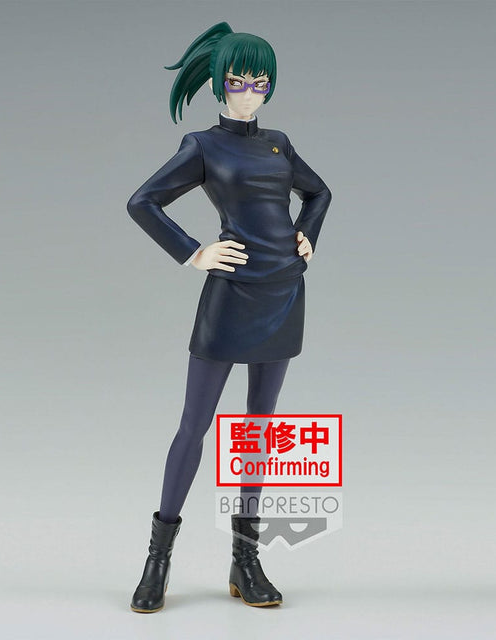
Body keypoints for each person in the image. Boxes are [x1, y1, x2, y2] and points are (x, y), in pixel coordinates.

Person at [126, 21, 332, 612]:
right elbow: (143, 201)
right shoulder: (202, 146)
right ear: (219, 84)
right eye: (238, 82)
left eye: (259, 82)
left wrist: (307, 235)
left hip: (283, 291)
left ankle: (246, 559)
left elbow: (319, 192)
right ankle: (157, 559)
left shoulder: (279, 143)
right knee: (194, 425)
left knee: (258, 429)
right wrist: (195, 252)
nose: (249, 92)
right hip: (231, 293)